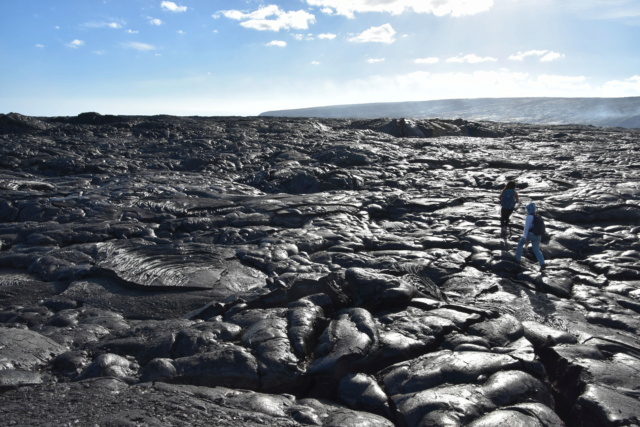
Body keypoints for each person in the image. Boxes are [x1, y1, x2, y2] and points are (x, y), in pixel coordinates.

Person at [515, 202, 546, 269]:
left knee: (520, 245)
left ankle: (517, 260)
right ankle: (542, 264)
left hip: (530, 234)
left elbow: (526, 228)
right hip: (538, 236)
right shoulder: (537, 216)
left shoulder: (529, 217)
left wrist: (525, 237)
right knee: (536, 250)